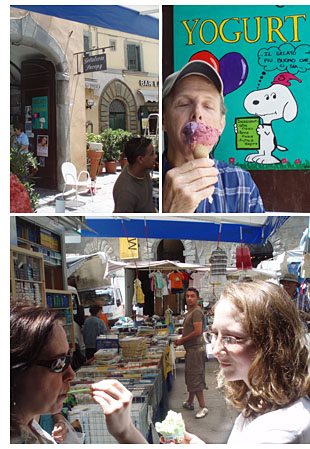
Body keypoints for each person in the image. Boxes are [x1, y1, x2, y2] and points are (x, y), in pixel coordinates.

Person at [181, 281, 310, 444]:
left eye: (230, 338)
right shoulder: (265, 399)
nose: (215, 350)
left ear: (271, 343)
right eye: (214, 333)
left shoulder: (275, 433)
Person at [10, 302, 148, 444]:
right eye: (58, 363)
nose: (71, 374)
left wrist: (125, 431)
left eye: (68, 359)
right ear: (15, 370)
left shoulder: (29, 426)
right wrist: (126, 433)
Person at [162, 59, 265, 213]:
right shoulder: (146, 185)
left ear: (221, 125)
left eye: (208, 106)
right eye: (183, 104)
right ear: (164, 120)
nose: (197, 113)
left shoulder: (241, 183)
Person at [174, 287, 208, 419]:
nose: (189, 298)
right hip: (191, 349)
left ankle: (203, 407)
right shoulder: (190, 312)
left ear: (197, 298)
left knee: (195, 377)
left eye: (192, 296)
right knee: (191, 376)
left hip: (195, 350)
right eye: (187, 296)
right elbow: (190, 329)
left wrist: (182, 339)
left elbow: (197, 331)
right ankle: (189, 402)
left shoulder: (197, 312)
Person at [113, 136, 157, 212]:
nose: (155, 156)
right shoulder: (126, 193)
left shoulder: (141, 168)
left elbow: (149, 202)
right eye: (152, 154)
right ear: (140, 159)